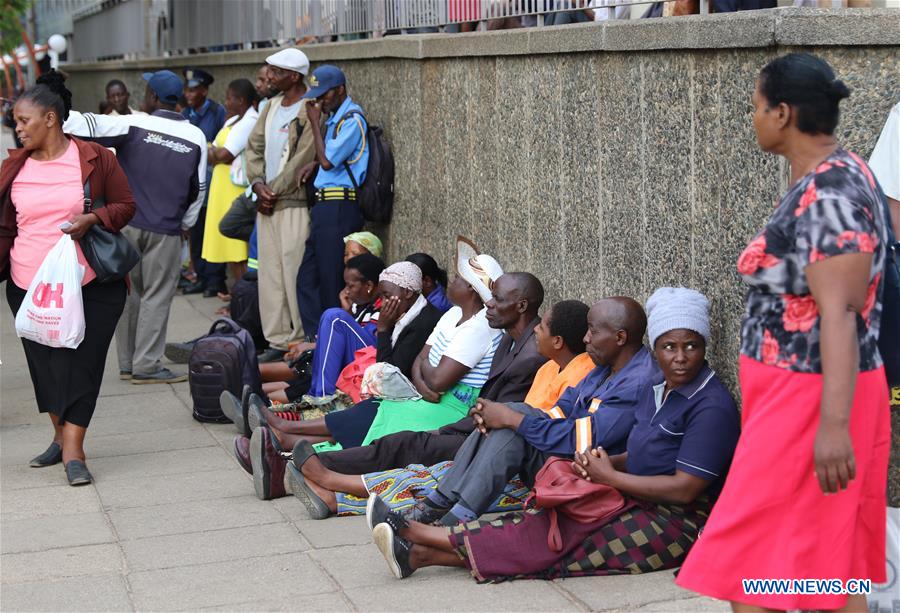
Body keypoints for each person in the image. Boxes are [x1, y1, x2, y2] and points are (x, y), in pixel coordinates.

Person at [676, 53, 891, 612]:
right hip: (799, 396)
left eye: (756, 107)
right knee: (814, 564)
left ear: (784, 113)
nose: (753, 118)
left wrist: (833, 427)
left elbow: (839, 314)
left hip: (814, 399)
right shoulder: (826, 177)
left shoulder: (832, 197)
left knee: (754, 560)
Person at [370, 287, 741, 582]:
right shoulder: (656, 388)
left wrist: (609, 473)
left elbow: (685, 489)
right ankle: (419, 550)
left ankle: (424, 532)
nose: (678, 357)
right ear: (656, 350)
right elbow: (613, 438)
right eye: (668, 347)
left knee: (556, 546)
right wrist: (606, 466)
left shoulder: (708, 404)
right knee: (547, 527)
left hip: (676, 520)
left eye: (690, 346)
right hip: (622, 487)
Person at [279, 299, 595, 519]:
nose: (537, 330)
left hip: (533, 465)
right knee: (432, 468)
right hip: (500, 438)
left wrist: (504, 419)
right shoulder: (546, 366)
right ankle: (330, 492)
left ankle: (331, 482)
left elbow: (554, 427)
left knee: (434, 479)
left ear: (557, 341)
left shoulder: (579, 370)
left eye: (544, 328)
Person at [246, 254, 504, 503]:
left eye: (460, 278)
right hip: (430, 397)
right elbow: (420, 362)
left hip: (452, 407)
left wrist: (401, 348)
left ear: (471, 289)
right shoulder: (451, 316)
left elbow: (430, 377)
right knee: (375, 408)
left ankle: (292, 451)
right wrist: (425, 381)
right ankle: (287, 438)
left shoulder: (477, 328)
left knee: (385, 421)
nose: (451, 280)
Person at [406, 295, 656, 526]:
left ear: (620, 338)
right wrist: (503, 415)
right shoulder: (605, 366)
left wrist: (513, 420)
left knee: (512, 427)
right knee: (511, 414)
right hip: (566, 460)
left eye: (593, 331)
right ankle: (441, 506)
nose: (585, 339)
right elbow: (562, 410)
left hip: (590, 475)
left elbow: (580, 439)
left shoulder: (638, 382)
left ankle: (451, 518)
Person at [0, 71, 136, 485]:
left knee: (83, 365)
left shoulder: (94, 157)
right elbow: (6, 228)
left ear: (52, 119)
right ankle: (60, 436)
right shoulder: (13, 167)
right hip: (27, 284)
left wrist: (93, 217)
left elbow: (126, 205)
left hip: (90, 283)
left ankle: (74, 449)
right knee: (46, 369)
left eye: (24, 120)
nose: (17, 128)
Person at [63, 70, 208, 384]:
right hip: (166, 230)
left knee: (130, 295)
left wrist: (52, 100)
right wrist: (186, 223)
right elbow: (199, 189)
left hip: (127, 227)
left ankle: (128, 364)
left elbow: (80, 124)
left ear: (153, 97)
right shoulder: (196, 137)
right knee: (157, 296)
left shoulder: (134, 123)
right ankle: (148, 364)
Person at [245, 49, 318, 363]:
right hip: (267, 203)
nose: (269, 77)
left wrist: (271, 190)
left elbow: (303, 156)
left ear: (294, 76)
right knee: (270, 274)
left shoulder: (308, 108)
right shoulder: (271, 106)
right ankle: (276, 339)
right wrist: (257, 183)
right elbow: (254, 147)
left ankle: (297, 338)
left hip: (291, 204)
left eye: (275, 72)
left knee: (292, 273)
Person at [296, 65, 368, 336]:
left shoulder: (352, 119)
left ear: (340, 90)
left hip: (340, 206)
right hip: (324, 206)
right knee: (307, 278)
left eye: (324, 95)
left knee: (329, 278)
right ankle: (316, 338)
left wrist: (314, 122)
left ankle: (331, 341)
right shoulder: (336, 118)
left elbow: (328, 161)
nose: (319, 102)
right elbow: (325, 159)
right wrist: (313, 163)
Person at [200, 78, 259, 285]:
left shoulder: (250, 121)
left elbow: (223, 154)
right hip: (222, 186)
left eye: (229, 97)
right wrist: (211, 152)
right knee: (228, 250)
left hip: (234, 188)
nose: (226, 101)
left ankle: (243, 299)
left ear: (241, 100)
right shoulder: (232, 121)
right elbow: (211, 150)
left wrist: (211, 152)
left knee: (238, 252)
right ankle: (236, 297)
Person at [181, 68, 227, 298]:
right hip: (191, 182)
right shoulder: (186, 114)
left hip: (212, 182)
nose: (188, 94)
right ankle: (199, 276)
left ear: (205, 90)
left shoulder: (218, 112)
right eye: (186, 90)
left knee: (213, 231)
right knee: (195, 232)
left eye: (193, 90)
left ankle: (215, 281)